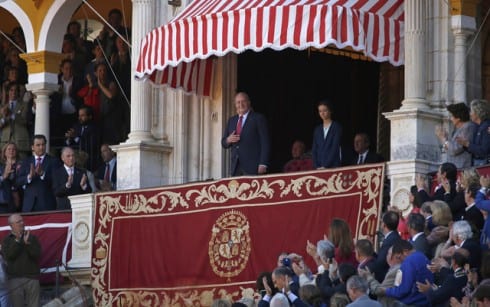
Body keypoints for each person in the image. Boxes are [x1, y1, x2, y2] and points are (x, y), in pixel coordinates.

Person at [221, 92, 270, 176]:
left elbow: (265, 142)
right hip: (235, 167)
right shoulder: (231, 120)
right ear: (235, 105)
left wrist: (263, 163)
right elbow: (224, 143)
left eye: (243, 101)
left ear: (248, 102)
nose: (241, 104)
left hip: (253, 166)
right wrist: (228, 140)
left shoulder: (258, 118)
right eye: (238, 102)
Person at [377, 240, 433, 306]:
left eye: (399, 257)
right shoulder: (423, 256)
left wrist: (386, 291)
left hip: (412, 303)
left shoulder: (409, 261)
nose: (400, 261)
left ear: (405, 251)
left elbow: (403, 290)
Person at [2, 214, 41, 306]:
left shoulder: (32, 238)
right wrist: (18, 240)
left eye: (22, 220)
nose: (22, 223)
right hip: (15, 280)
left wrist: (27, 244)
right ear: (11, 225)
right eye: (18, 222)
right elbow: (9, 256)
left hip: (32, 279)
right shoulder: (6, 240)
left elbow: (37, 255)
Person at [16, 134, 61, 212]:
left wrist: (42, 174)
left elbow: (57, 181)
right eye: (38, 145)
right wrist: (29, 177)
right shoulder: (26, 161)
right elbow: (18, 181)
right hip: (29, 205)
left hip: (46, 204)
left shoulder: (54, 161)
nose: (41, 147)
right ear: (32, 147)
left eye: (43, 145)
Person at [436, 103, 476, 168]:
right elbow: (449, 149)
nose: (450, 119)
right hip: (455, 167)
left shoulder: (468, 127)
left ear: (458, 118)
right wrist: (445, 139)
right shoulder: (458, 129)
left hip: (462, 167)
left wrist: (443, 139)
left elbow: (455, 150)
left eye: (452, 116)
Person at [65, 105, 100, 171]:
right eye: (79, 115)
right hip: (74, 156)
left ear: (90, 117)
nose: (80, 118)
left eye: (82, 115)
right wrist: (69, 138)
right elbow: (69, 142)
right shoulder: (76, 126)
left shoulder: (94, 128)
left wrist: (75, 137)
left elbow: (90, 145)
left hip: (88, 159)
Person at [0, 82, 31, 158]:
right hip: (5, 143)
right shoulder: (2, 106)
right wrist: (4, 118)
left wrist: (12, 115)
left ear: (18, 93)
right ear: (7, 92)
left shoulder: (24, 105)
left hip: (20, 143)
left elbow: (25, 121)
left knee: (22, 165)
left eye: (15, 90)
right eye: (11, 90)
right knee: (5, 167)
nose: (13, 92)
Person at [456, 99, 490, 166]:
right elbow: (474, 148)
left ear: (477, 113)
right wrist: (464, 144)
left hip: (483, 165)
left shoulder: (486, 126)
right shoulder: (476, 126)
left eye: (471, 111)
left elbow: (484, 151)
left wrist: (467, 144)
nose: (470, 114)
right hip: (476, 163)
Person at [311, 100, 342, 169]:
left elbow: (335, 148)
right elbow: (314, 149)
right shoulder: (317, 130)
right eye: (320, 111)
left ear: (330, 111)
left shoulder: (336, 127)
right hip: (319, 167)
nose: (322, 113)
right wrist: (317, 166)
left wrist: (326, 166)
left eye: (325, 110)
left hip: (333, 166)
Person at [0, 142, 21, 212]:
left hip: (21, 197)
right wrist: (4, 176)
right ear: (4, 152)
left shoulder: (22, 165)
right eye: (9, 149)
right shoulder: (1, 168)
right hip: (5, 201)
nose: (11, 151)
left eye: (13, 149)